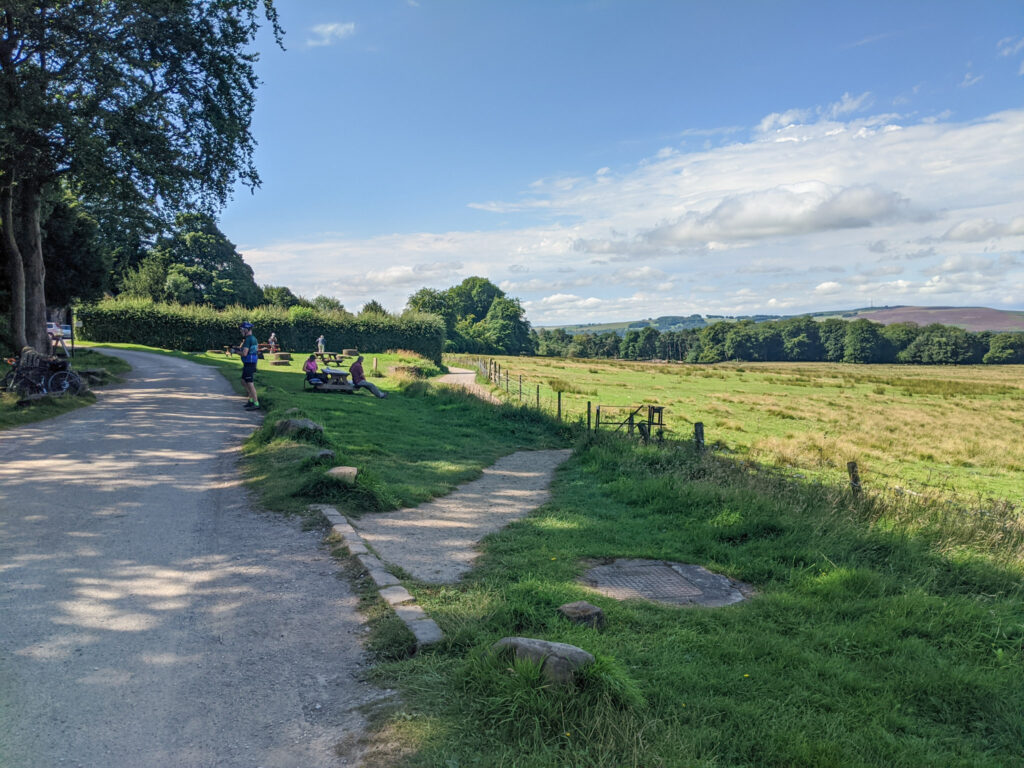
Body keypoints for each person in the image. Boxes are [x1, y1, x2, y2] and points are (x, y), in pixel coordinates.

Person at [239, 321, 260, 410]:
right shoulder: (253, 338)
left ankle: (256, 403)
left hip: (249, 363)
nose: (241, 331)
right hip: (251, 362)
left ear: (247, 330)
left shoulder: (248, 339)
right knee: (243, 381)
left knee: (250, 383)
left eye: (242, 329)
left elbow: (244, 353)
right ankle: (251, 400)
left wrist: (235, 352)